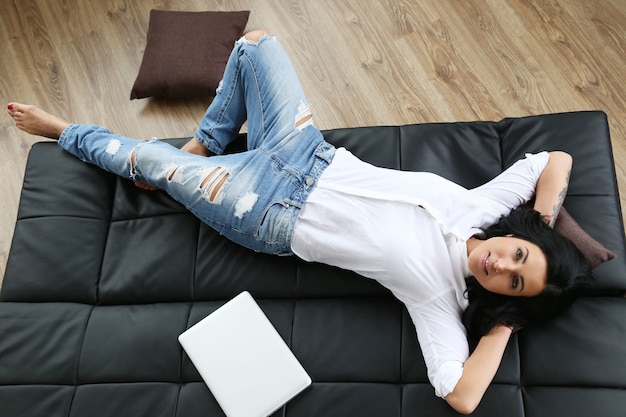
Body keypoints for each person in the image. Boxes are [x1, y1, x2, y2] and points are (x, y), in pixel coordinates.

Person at [7, 30, 591, 414]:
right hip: (306, 151)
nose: (501, 264)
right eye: (519, 255)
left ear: (504, 299)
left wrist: (504, 324)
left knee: (149, 163)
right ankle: (202, 148)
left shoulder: (436, 296)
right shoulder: (486, 210)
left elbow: (460, 396)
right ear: (518, 238)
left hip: (262, 210)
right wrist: (543, 225)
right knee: (256, 45)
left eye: (513, 282)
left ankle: (65, 132)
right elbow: (553, 161)